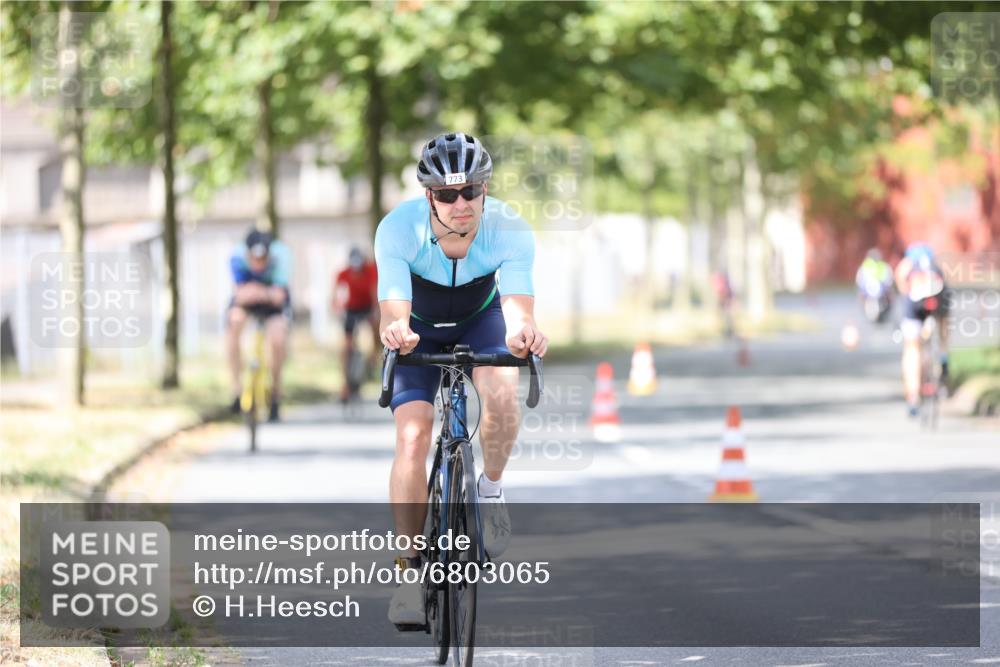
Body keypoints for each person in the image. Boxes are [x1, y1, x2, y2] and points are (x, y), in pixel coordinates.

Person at [376, 132, 547, 626]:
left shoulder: (509, 228)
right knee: (412, 436)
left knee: (502, 394)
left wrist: (524, 334)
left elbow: (517, 312)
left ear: (484, 189)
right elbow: (394, 310)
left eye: (470, 191)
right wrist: (396, 330)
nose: (461, 203)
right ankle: (410, 573)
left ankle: (490, 490)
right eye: (447, 194)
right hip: (418, 327)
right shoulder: (398, 229)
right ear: (429, 195)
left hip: (480, 318)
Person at [225, 229, 292, 422]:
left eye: (262, 258)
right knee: (234, 321)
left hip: (271, 304)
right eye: (254, 258)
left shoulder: (282, 256)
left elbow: (279, 297)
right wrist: (265, 292)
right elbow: (240, 294)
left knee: (278, 336)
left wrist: (258, 292)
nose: (258, 263)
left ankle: (276, 393)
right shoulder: (236, 257)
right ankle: (237, 390)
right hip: (253, 299)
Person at [894, 243, 950, 417]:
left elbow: (901, 279)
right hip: (938, 298)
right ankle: (943, 356)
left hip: (915, 301)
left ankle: (913, 397)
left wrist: (904, 293)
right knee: (943, 323)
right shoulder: (935, 265)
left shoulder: (909, 263)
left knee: (912, 348)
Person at [332, 247, 380, 402]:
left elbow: (374, 291)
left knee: (374, 332)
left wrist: (374, 311)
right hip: (351, 309)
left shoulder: (370, 270)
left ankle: (372, 358)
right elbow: (336, 294)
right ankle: (344, 384)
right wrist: (336, 307)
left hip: (367, 307)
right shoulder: (343, 273)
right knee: (346, 346)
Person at [856, 248, 894, 323]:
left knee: (890, 295)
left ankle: (888, 307)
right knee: (861, 295)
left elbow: (889, 277)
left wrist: (887, 285)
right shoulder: (865, 266)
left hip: (881, 288)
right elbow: (860, 278)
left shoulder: (882, 265)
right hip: (869, 288)